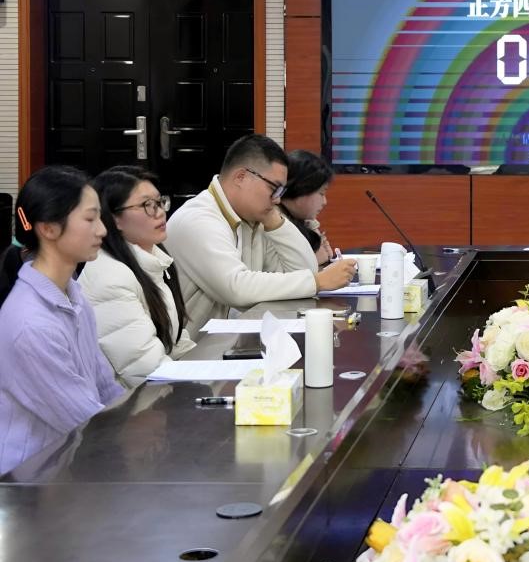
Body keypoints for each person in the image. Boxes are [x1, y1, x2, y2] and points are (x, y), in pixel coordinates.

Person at [164, 134, 356, 333]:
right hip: (193, 348)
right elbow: (235, 288)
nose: (277, 200)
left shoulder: (251, 218)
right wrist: (316, 282)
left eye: (281, 192)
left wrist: (276, 222)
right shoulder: (198, 219)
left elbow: (302, 271)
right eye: (274, 189)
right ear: (241, 177)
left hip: (227, 338)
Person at [0, 166, 124, 474]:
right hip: (28, 481)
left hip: (66, 465)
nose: (102, 230)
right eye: (90, 219)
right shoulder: (30, 323)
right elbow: (82, 415)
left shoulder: (73, 293)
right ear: (49, 229)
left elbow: (103, 383)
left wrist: (131, 419)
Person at [79, 167, 196, 386]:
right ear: (114, 219)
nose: (160, 212)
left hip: (158, 393)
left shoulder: (154, 261)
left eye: (159, 202)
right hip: (131, 402)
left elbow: (175, 342)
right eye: (147, 205)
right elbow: (146, 370)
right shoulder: (110, 278)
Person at [280, 150, 335, 268]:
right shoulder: (274, 224)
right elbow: (320, 257)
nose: (324, 202)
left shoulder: (302, 218)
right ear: (301, 188)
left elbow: (326, 254)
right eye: (321, 193)